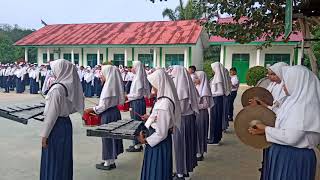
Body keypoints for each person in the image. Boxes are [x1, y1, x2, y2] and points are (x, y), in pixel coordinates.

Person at [249, 65, 320, 180]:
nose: (283, 86)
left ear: (297, 82)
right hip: (285, 153)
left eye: (286, 82)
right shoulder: (293, 101)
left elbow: (292, 137)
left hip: (292, 158)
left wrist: (265, 129)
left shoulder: (303, 107)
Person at [40, 59, 84, 180]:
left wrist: (44, 135)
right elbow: (73, 107)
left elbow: (51, 116)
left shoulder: (56, 89)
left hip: (56, 127)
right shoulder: (69, 87)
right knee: (63, 157)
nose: (52, 72)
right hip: (66, 124)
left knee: (53, 158)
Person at [138, 68, 181, 180]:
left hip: (158, 143)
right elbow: (157, 118)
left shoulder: (165, 104)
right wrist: (147, 123)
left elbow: (161, 133)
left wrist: (146, 140)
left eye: (154, 85)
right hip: (156, 140)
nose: (152, 88)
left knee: (156, 171)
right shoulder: (162, 100)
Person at [84, 65, 125, 170]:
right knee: (112, 137)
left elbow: (103, 106)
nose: (101, 75)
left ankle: (108, 162)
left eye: (102, 73)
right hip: (114, 112)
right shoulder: (114, 85)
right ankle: (111, 160)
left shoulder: (108, 87)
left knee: (107, 137)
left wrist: (91, 109)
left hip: (108, 114)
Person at [171, 65, 199, 179]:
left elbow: (179, 109)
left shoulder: (181, 88)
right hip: (189, 120)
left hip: (181, 120)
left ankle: (180, 173)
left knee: (180, 146)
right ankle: (185, 171)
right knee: (187, 146)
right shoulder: (188, 85)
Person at [126, 61, 150, 152]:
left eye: (132, 67)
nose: (131, 69)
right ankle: (136, 143)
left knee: (137, 123)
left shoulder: (139, 79)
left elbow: (137, 95)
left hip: (137, 102)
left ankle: (137, 144)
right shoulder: (136, 77)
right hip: (135, 102)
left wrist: (127, 97)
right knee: (135, 122)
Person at [208, 62, 231, 145]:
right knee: (216, 119)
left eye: (213, 68)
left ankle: (214, 139)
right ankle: (215, 137)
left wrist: (210, 94)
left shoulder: (218, 78)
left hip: (216, 100)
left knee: (215, 119)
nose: (212, 70)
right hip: (217, 100)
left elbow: (219, 92)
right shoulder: (217, 77)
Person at [195, 71, 214, 161]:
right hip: (196, 113)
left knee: (201, 132)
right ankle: (197, 151)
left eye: (197, 78)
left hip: (201, 113)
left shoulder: (205, 90)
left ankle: (200, 152)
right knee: (196, 133)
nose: (195, 79)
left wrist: (194, 105)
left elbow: (205, 105)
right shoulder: (196, 87)